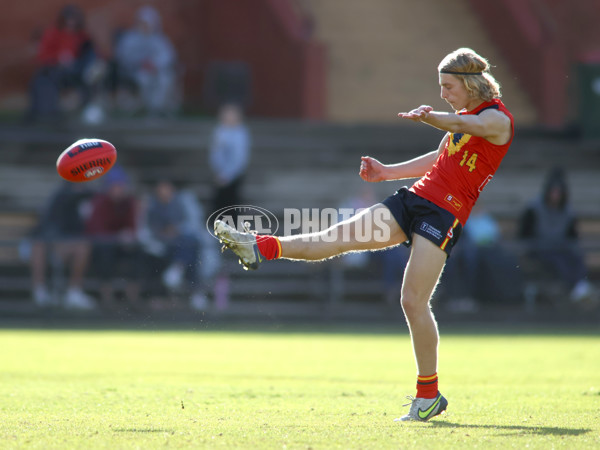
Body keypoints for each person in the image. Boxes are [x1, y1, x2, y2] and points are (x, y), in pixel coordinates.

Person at [214, 48, 514, 422]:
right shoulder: (459, 117)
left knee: (412, 301)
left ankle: (428, 396)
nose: (443, 94)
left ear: (469, 84)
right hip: (414, 200)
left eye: (448, 86)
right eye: (440, 87)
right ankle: (260, 248)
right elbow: (440, 159)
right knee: (334, 238)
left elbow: (472, 128)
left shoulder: (498, 120)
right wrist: (386, 173)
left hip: (445, 214)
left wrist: (432, 117)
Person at [517, 167, 593, 303]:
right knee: (559, 261)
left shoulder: (568, 212)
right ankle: (574, 289)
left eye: (558, 193)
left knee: (576, 256)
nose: (555, 196)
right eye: (553, 192)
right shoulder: (533, 209)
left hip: (560, 247)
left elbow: (572, 237)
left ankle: (580, 286)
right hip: (539, 248)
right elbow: (524, 234)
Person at [138, 179, 211, 311]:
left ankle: (178, 266)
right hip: (162, 245)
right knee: (191, 251)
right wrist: (164, 233)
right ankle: (196, 291)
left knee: (190, 246)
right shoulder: (151, 206)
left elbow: (190, 226)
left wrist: (176, 230)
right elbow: (148, 230)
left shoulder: (181, 203)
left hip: (180, 243)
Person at [26, 4, 104, 123]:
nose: (71, 24)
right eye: (68, 21)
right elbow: (42, 55)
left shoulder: (82, 36)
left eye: (74, 21)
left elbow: (91, 52)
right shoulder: (53, 34)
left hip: (77, 70)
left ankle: (86, 108)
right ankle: (46, 112)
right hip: (55, 69)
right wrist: (58, 58)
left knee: (90, 78)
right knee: (43, 80)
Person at [27, 181, 96, 310]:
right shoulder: (60, 195)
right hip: (51, 243)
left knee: (83, 247)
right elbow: (48, 226)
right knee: (38, 247)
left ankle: (73, 292)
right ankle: (40, 292)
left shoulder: (89, 195)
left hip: (69, 244)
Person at [85, 166, 141, 313]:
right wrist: (116, 237)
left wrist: (127, 236)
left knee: (137, 254)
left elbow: (132, 227)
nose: (118, 189)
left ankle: (133, 300)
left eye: (121, 186)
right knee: (105, 256)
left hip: (122, 246)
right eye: (115, 186)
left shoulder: (129, 202)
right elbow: (96, 230)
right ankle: (107, 301)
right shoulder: (100, 202)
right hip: (103, 246)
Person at [114, 5, 177, 116]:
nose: (145, 26)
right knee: (144, 80)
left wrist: (155, 65)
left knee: (165, 80)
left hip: (157, 70)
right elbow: (124, 56)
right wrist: (141, 63)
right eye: (143, 23)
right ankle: (147, 107)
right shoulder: (130, 39)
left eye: (148, 24)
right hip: (136, 71)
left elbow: (168, 56)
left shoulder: (160, 40)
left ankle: (157, 108)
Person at [208, 104, 251, 225]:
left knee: (231, 206)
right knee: (218, 205)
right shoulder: (219, 131)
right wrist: (218, 171)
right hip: (219, 173)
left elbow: (239, 158)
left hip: (234, 175)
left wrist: (227, 175)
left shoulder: (241, 133)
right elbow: (215, 152)